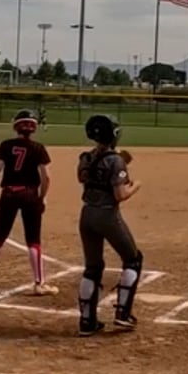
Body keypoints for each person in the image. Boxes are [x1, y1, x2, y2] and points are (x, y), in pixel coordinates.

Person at [76, 114, 144, 335]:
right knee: (133, 259)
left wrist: (111, 166)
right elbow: (120, 194)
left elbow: (83, 178)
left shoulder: (86, 157)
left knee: (93, 267)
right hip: (107, 216)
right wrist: (135, 185)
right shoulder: (116, 160)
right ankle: (123, 314)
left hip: (86, 215)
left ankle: (87, 322)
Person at [0, 109, 52, 293]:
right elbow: (46, 177)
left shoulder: (6, 145)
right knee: (33, 239)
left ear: (16, 126)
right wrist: (42, 198)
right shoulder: (38, 148)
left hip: (9, 194)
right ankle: (39, 283)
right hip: (30, 194)